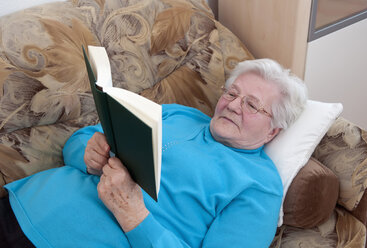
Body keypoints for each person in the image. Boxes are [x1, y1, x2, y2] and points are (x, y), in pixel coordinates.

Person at [1, 58, 307, 248]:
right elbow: (82, 138)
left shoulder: (259, 188)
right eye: (232, 93)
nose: (233, 105)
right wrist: (88, 153)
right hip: (23, 205)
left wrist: (133, 214)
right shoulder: (179, 115)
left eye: (252, 104)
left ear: (273, 131)